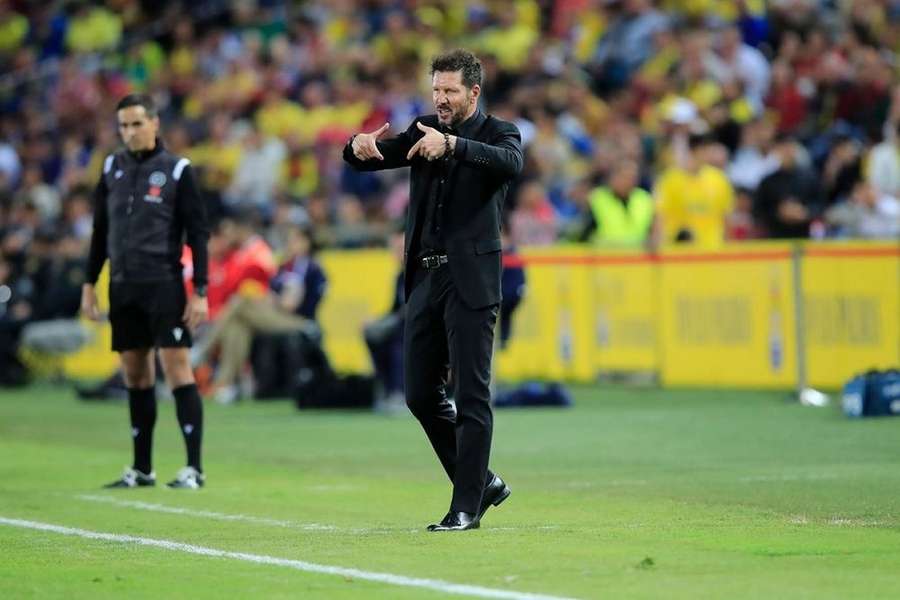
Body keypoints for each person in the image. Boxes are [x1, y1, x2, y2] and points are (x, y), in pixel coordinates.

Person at [344, 49, 522, 532]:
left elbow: (510, 163)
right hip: (425, 279)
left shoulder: (498, 132)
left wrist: (454, 147)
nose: (441, 99)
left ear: (474, 92)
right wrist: (355, 147)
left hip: (472, 281)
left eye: (450, 91)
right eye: (436, 89)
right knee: (420, 395)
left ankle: (465, 506)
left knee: (472, 392)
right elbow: (373, 158)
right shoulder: (422, 128)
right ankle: (481, 482)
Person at [80, 93, 210, 490]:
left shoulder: (177, 170)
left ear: (155, 124)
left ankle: (193, 468)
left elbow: (198, 232)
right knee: (135, 375)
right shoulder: (110, 168)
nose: (129, 132)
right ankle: (142, 469)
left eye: (137, 123)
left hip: (164, 284)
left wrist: (200, 289)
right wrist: (89, 284)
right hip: (122, 285)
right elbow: (100, 232)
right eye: (123, 125)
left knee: (176, 370)